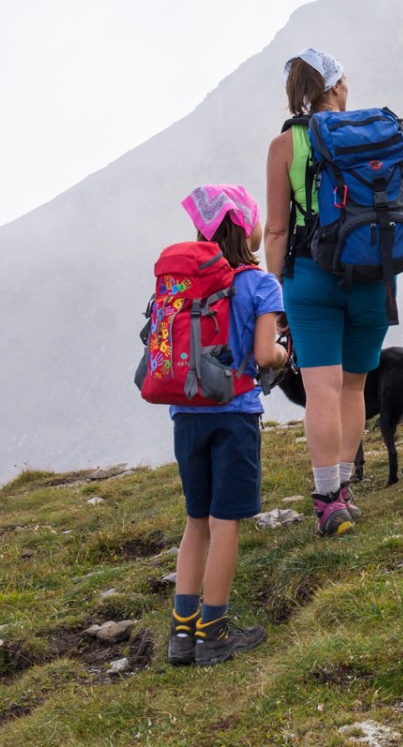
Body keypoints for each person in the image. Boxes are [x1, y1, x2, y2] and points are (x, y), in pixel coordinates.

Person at [264, 48, 392, 538]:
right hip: (373, 274)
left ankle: (328, 503)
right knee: (355, 387)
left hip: (311, 277)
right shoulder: (374, 131)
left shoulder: (285, 146)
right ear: (337, 87)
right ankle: (346, 489)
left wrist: (275, 298)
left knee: (322, 388)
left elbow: (276, 231)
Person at [167, 184, 289, 667]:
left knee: (196, 522)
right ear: (245, 225)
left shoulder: (182, 280)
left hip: (186, 414)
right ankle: (214, 634)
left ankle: (181, 635)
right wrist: (283, 352)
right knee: (226, 522)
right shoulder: (260, 284)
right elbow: (264, 355)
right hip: (234, 414)